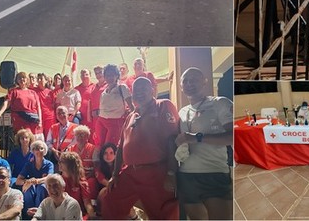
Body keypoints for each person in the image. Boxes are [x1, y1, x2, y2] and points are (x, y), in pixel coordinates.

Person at [100, 77, 180, 220]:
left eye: (144, 88)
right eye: (136, 89)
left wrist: (171, 173)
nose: (140, 92)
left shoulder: (163, 105)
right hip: (131, 172)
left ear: (152, 90)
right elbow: (120, 148)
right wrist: (115, 175)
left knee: (164, 212)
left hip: (156, 171)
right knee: (109, 199)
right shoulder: (130, 116)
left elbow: (172, 141)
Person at [175, 67, 233, 220]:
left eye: (194, 79)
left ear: (205, 82)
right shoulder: (181, 112)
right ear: (181, 86)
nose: (189, 83)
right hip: (186, 176)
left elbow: (234, 136)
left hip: (214, 173)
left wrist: (197, 138)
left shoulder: (220, 103)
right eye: (185, 81)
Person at [95, 64, 132, 147]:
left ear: (117, 75)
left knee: (110, 148)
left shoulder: (122, 87)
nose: (110, 78)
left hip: (115, 122)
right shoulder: (104, 91)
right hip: (101, 121)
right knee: (100, 147)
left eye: (112, 75)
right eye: (107, 75)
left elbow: (131, 106)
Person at [15, 140, 54, 217]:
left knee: (41, 187)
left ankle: (39, 215)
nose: (38, 150)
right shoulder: (29, 164)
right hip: (31, 188)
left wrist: (35, 181)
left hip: (43, 188)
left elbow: (50, 178)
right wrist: (27, 182)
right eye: (36, 148)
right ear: (32, 151)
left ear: (45, 151)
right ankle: (28, 215)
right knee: (28, 188)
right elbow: (18, 181)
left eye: (41, 148)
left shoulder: (49, 164)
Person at [58, 152, 95, 217]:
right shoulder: (57, 181)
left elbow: (87, 204)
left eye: (62, 162)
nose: (59, 163)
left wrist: (92, 217)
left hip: (77, 215)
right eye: (59, 161)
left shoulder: (82, 183)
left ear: (71, 165)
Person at [67, 125, 97, 196]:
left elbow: (96, 168)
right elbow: (67, 167)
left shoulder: (94, 149)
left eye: (82, 134)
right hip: (74, 176)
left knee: (91, 183)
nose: (80, 137)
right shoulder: (70, 149)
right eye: (77, 135)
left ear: (87, 136)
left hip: (89, 176)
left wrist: (84, 179)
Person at [32, 74, 56, 138]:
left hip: (49, 117)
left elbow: (54, 104)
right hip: (38, 117)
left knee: (49, 136)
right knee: (40, 137)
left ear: (46, 81)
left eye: (41, 79)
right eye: (38, 79)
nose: (39, 80)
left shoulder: (50, 92)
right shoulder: (33, 91)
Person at [88, 65, 108, 145]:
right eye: (96, 73)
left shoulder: (108, 85)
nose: (98, 75)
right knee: (96, 138)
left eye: (100, 72)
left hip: (105, 116)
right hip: (95, 118)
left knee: (105, 137)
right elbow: (90, 102)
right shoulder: (93, 87)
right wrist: (90, 116)